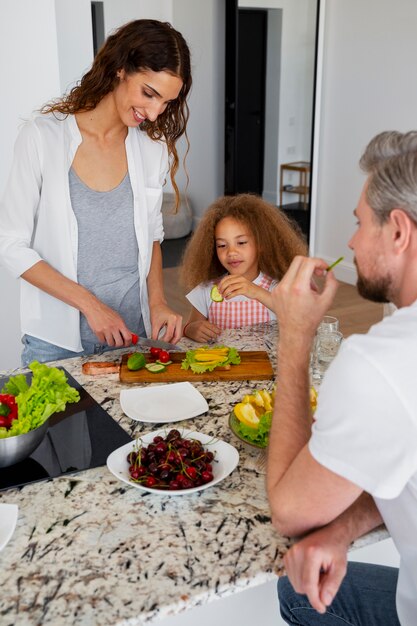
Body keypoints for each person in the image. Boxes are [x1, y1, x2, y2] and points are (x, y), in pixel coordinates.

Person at [267, 130, 417, 626]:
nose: (351, 241)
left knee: (296, 593)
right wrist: (344, 528)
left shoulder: (380, 361)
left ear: (398, 230)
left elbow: (290, 512)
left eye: (359, 223)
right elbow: (398, 455)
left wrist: (295, 334)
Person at [0, 19, 191, 366]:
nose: (153, 113)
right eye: (149, 93)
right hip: (56, 341)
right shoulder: (43, 138)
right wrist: (91, 305)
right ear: (120, 69)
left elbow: (152, 236)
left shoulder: (151, 147)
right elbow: (10, 245)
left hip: (131, 333)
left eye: (165, 103)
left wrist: (159, 302)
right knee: (56, 424)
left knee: (128, 422)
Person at [180, 193, 307, 342]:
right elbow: (190, 326)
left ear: (261, 244)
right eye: (222, 245)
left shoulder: (275, 289)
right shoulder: (207, 290)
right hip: (221, 364)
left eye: (241, 242)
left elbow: (298, 321)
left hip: (262, 364)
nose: (231, 252)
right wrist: (191, 329)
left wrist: (255, 291)